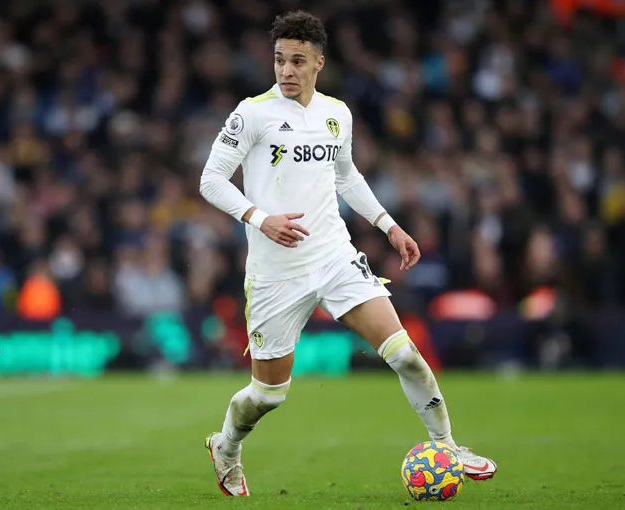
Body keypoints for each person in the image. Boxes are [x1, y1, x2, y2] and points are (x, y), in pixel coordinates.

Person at [198, 10, 498, 496]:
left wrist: (388, 225)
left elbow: (346, 176)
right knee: (269, 395)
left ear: (319, 63)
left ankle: (448, 446)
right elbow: (210, 180)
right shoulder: (251, 113)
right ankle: (226, 446)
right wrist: (260, 218)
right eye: (279, 60)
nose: (286, 70)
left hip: (334, 257)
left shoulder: (337, 114)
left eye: (298, 61)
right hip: (276, 272)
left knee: (406, 355)